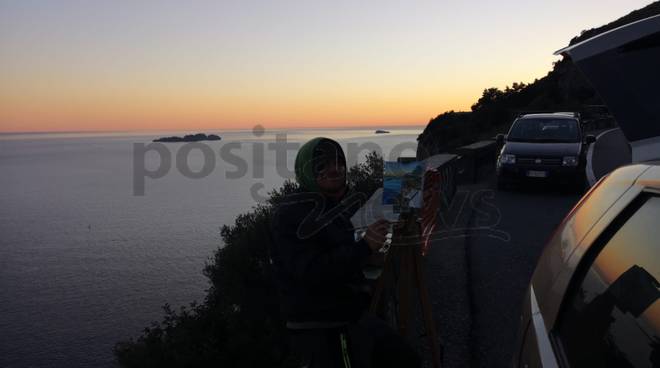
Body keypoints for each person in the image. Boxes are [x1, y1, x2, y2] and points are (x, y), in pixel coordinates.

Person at [270, 137, 420, 368]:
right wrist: (363, 248)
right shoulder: (291, 214)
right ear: (306, 170)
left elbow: (345, 251)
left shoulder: (339, 206)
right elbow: (312, 271)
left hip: (351, 312)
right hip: (319, 324)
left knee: (406, 359)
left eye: (339, 162)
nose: (334, 169)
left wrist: (376, 248)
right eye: (322, 164)